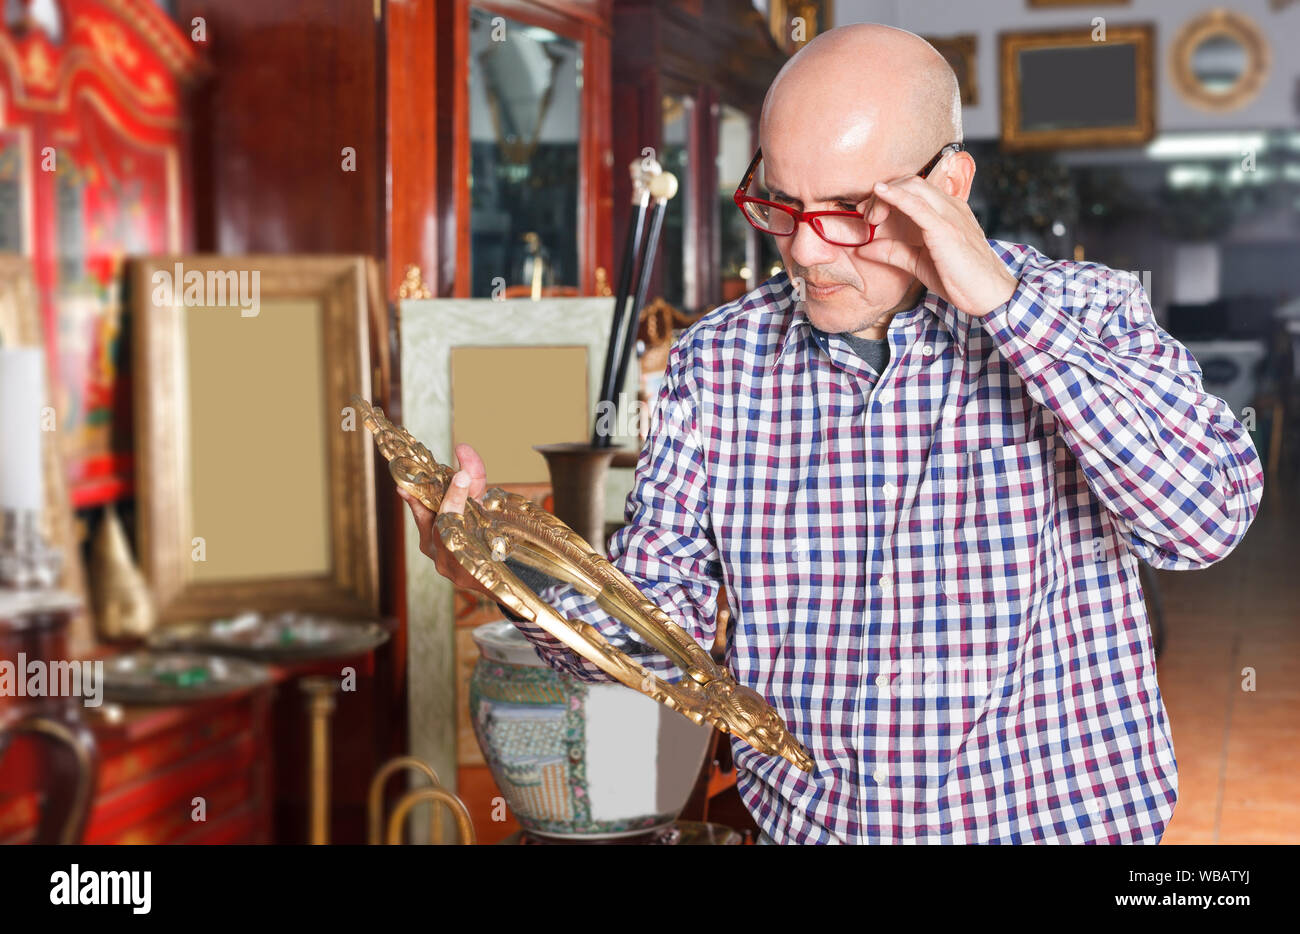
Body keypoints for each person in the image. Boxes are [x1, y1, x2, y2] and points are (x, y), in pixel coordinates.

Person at [400, 23, 1264, 844]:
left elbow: (1205, 521)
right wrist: (507, 572)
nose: (807, 253)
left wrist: (1006, 310)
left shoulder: (1084, 311)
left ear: (948, 188)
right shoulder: (719, 364)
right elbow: (659, 649)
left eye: (851, 209)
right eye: (781, 203)